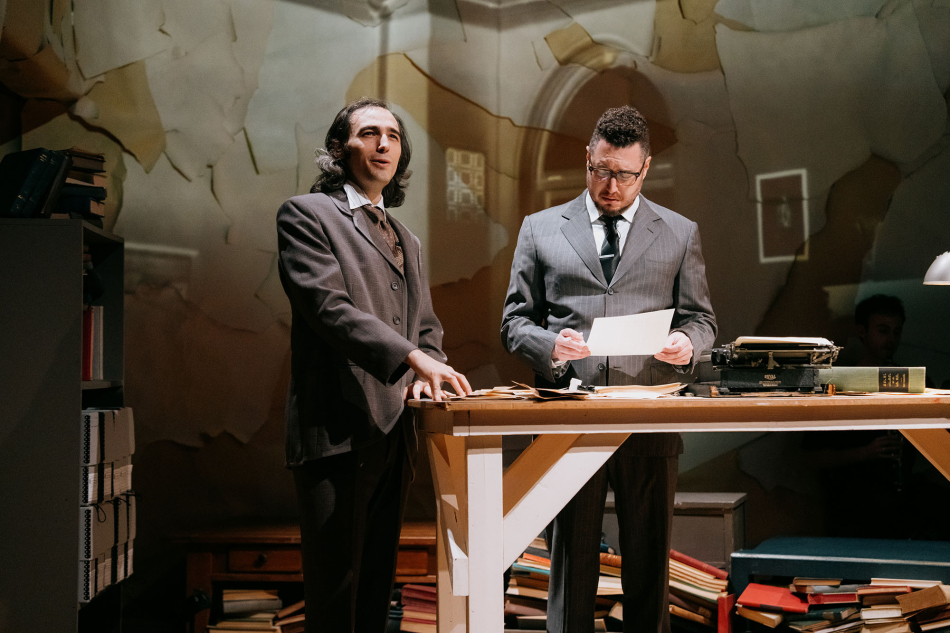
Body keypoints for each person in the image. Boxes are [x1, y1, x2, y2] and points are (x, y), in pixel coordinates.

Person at [501, 106, 717, 633]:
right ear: (588, 160)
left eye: (624, 174)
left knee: (648, 570)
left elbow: (702, 320)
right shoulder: (540, 229)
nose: (611, 186)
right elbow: (514, 322)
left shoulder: (679, 232)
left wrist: (686, 344)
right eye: (601, 171)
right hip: (568, 419)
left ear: (646, 169)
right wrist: (552, 346)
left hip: (650, 418)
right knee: (571, 570)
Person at [276, 97, 472, 633]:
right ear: (340, 148)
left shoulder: (407, 238)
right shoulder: (306, 214)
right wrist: (412, 359)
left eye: (393, 135)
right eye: (369, 133)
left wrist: (428, 368)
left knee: (373, 596)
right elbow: (329, 309)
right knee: (336, 599)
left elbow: (424, 325)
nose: (384, 143)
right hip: (337, 430)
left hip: (393, 433)